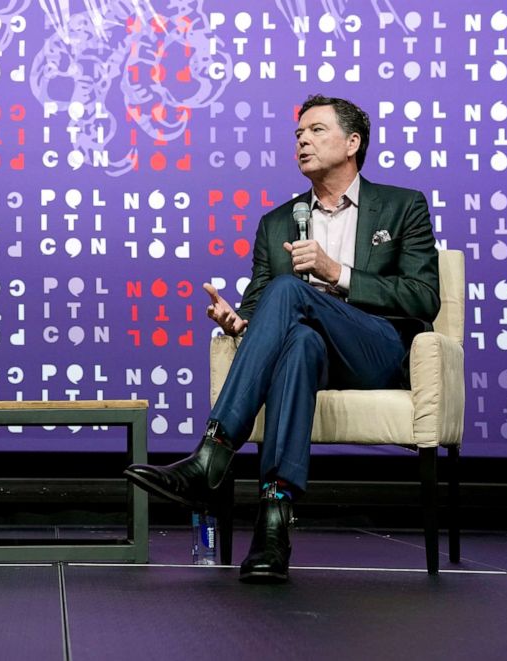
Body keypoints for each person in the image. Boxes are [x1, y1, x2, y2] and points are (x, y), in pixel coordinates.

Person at [125, 94, 440, 583]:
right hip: (313, 355)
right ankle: (273, 527)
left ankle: (213, 454)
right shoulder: (277, 223)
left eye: (316, 131)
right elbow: (259, 308)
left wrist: (337, 273)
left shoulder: (402, 207)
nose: (302, 142)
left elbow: (423, 299)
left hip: (376, 350)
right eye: (298, 135)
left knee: (291, 289)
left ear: (352, 143)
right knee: (298, 346)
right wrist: (237, 322)